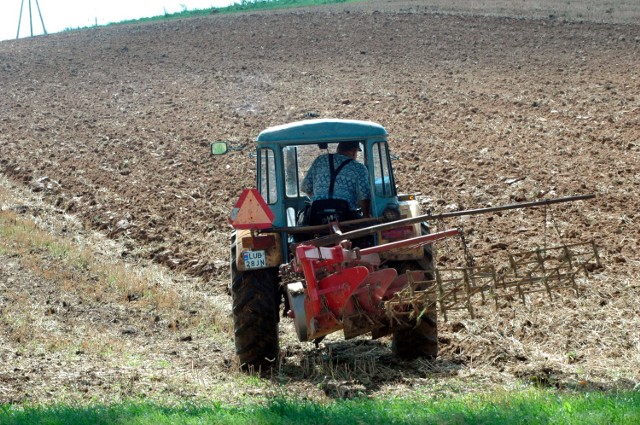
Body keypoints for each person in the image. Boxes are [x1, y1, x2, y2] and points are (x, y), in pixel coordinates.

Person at [301, 141, 371, 221]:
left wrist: (317, 200)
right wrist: (366, 216)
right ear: (354, 151)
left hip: (317, 216)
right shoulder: (359, 168)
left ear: (338, 149)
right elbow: (364, 195)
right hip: (346, 217)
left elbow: (305, 187)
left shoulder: (320, 160)